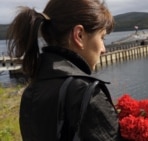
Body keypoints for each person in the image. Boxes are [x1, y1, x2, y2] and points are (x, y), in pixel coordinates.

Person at [7, 0, 124, 140]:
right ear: (79, 35)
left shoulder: (31, 91)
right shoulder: (87, 94)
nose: (104, 49)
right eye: (102, 37)